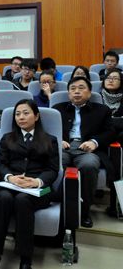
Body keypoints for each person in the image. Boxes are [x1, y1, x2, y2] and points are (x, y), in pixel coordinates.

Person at [0, 100, 59, 269]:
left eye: (26, 113)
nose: (21, 117)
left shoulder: (50, 140)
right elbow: (0, 164)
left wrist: (37, 181)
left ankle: (25, 259)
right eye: (17, 114)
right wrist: (10, 177)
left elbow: (53, 170)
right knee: (3, 198)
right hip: (11, 184)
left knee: (23, 200)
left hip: (41, 188)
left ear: (36, 116)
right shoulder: (7, 138)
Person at [53, 76, 116, 228]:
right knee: (56, 163)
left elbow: (111, 131)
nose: (76, 92)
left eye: (81, 88)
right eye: (73, 89)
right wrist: (57, 140)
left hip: (87, 149)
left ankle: (84, 210)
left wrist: (94, 142)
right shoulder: (57, 109)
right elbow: (47, 130)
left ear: (89, 92)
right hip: (63, 148)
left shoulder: (102, 110)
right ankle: (56, 205)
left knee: (89, 165)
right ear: (68, 93)